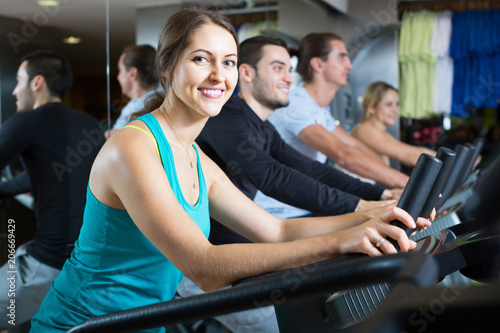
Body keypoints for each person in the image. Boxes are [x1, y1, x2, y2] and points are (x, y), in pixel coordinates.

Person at [31, 8, 428, 333]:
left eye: (229, 62)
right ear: (168, 66)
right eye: (201, 59)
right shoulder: (133, 147)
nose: (219, 76)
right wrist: (343, 241)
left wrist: (371, 216)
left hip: (140, 324)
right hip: (82, 325)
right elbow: (205, 268)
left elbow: (276, 230)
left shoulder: (192, 153)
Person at [0, 50, 104, 330]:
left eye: (20, 81)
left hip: (48, 265)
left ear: (37, 83)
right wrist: (6, 188)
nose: (15, 91)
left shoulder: (27, 121)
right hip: (87, 264)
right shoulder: (88, 124)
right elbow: (49, 175)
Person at [268, 33, 409, 189]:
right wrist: (407, 184)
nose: (349, 65)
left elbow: (356, 146)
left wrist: (399, 180)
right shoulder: (296, 104)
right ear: (318, 64)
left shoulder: (320, 109)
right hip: (282, 210)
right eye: (342, 57)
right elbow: (343, 154)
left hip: (302, 201)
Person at [351, 81, 436, 167]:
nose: (395, 110)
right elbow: (408, 156)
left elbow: (412, 150)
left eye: (397, 104)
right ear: (372, 107)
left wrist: (439, 156)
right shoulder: (364, 131)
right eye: (389, 104)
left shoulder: (384, 135)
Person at [106, 44, 158, 137]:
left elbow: (111, 139)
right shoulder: (164, 100)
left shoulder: (133, 108)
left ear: (132, 73)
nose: (118, 77)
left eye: (120, 70)